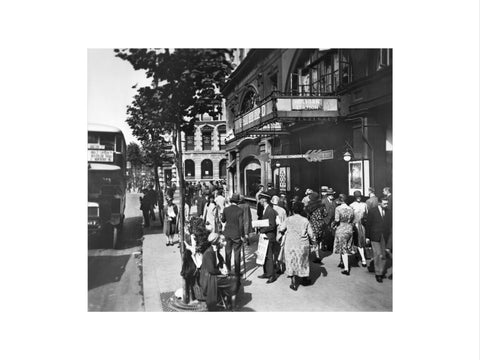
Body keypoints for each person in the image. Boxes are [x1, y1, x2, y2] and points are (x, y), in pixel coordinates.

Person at [279, 202, 314, 291]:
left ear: (293, 210)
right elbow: (311, 234)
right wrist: (314, 242)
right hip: (302, 244)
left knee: (291, 261)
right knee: (303, 261)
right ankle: (304, 279)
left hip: (290, 243)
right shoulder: (305, 220)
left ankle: (293, 283)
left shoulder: (288, 219)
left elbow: (281, 228)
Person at [199, 233, 238, 311]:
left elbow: (220, 259)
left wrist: (224, 266)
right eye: (222, 241)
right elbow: (211, 270)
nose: (224, 243)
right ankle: (232, 306)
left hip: (213, 276)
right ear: (217, 242)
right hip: (209, 279)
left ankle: (229, 301)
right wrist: (222, 271)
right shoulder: (209, 253)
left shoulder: (215, 250)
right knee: (234, 280)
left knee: (233, 276)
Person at [366, 197, 392, 283]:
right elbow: (368, 224)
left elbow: (389, 224)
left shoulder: (388, 212)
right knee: (377, 254)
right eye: (385, 203)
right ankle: (378, 274)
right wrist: (367, 237)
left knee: (383, 255)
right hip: (374, 236)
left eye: (387, 203)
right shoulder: (372, 211)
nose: (386, 205)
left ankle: (381, 271)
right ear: (380, 203)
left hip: (384, 236)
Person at [221, 193, 245, 277]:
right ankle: (237, 272)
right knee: (237, 253)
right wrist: (242, 235)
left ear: (231, 201)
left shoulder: (226, 209)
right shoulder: (240, 210)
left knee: (227, 253)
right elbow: (241, 224)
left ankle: (228, 270)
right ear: (238, 202)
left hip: (227, 233)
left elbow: (223, 220)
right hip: (236, 234)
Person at [257, 192, 278, 284]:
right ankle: (266, 272)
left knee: (269, 256)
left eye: (260, 199)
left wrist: (262, 230)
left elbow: (272, 225)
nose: (259, 201)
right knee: (264, 255)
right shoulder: (265, 209)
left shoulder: (270, 211)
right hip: (265, 235)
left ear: (264, 199)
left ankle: (272, 275)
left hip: (269, 236)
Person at [333, 194, 354, 275]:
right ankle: (341, 262)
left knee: (343, 248)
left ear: (340, 200)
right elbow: (352, 219)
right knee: (346, 246)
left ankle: (346, 268)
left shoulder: (338, 209)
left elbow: (337, 219)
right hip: (349, 228)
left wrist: (333, 224)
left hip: (341, 228)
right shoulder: (351, 209)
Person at [305, 191, 327, 263]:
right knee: (317, 241)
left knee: (312, 241)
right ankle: (318, 255)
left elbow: (307, 215)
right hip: (321, 224)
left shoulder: (309, 206)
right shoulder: (322, 206)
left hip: (313, 224)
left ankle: (314, 256)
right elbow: (325, 214)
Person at [350, 191, 368, 267]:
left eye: (359, 196)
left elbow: (367, 214)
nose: (358, 198)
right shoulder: (351, 205)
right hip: (354, 224)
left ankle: (362, 257)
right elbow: (350, 216)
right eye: (357, 196)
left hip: (362, 225)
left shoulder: (364, 204)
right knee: (356, 240)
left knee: (361, 241)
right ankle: (362, 258)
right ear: (354, 197)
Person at [271, 195, 287, 275]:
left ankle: (274, 264)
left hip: (273, 232)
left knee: (273, 250)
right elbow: (285, 222)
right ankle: (280, 266)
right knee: (280, 250)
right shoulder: (283, 210)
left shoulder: (270, 210)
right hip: (281, 232)